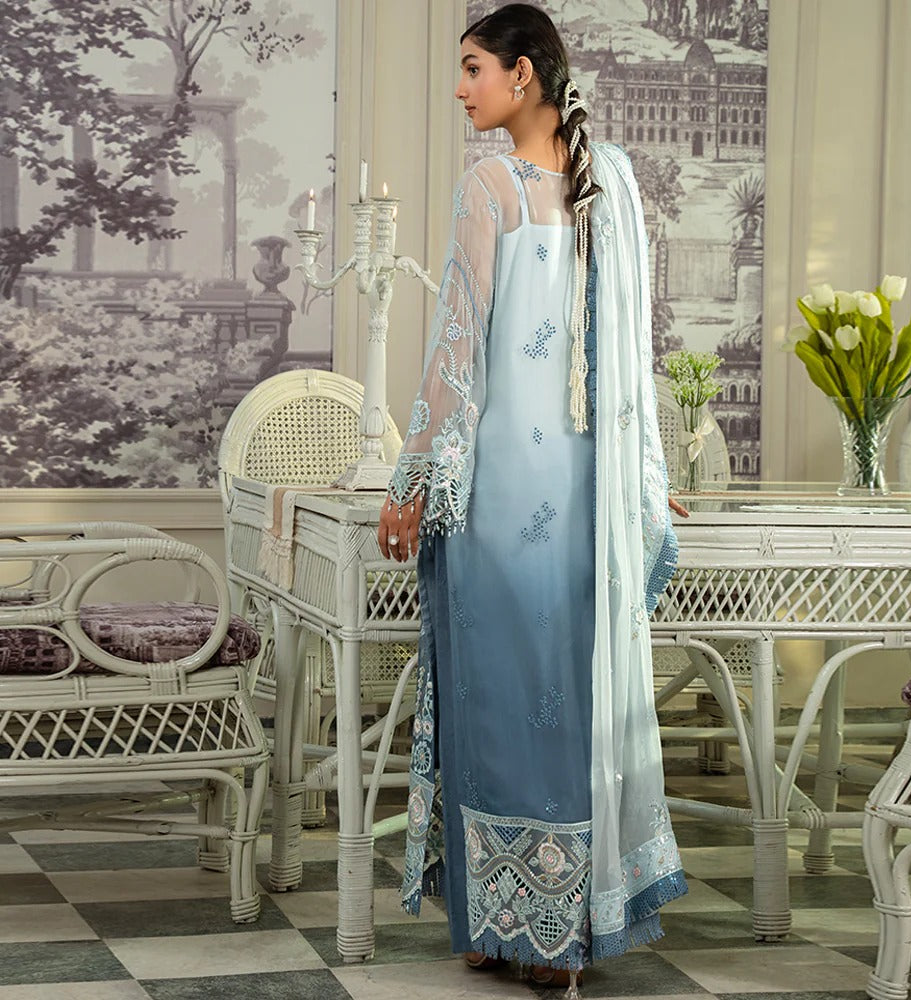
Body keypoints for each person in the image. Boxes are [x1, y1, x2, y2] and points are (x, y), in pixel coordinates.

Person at [377, 4, 690, 992]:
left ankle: (511, 927)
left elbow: (456, 347)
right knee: (564, 702)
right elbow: (634, 350)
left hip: (498, 497)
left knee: (494, 700)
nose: (460, 88)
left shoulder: (492, 185)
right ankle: (550, 928)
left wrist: (411, 479)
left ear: (522, 74)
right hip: (588, 499)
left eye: (473, 68)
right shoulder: (615, 182)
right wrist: (644, 481)